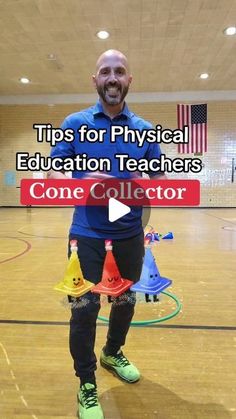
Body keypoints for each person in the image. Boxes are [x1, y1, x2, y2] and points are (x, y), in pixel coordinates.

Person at [48, 49, 166, 419]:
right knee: (83, 312)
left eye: (119, 71)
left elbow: (159, 179)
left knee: (125, 303)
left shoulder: (145, 130)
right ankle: (86, 383)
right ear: (95, 80)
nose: (112, 77)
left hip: (130, 236)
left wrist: (136, 179)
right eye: (105, 71)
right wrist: (84, 181)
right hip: (86, 236)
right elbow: (53, 173)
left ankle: (112, 352)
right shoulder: (74, 123)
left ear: (129, 80)